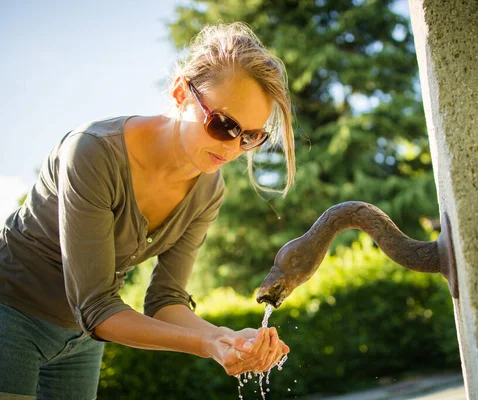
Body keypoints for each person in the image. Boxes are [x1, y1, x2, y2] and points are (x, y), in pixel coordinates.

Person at [0, 22, 294, 399]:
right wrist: (207, 346)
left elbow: (166, 300)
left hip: (83, 339)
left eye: (252, 136)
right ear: (180, 93)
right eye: (223, 124)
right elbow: (96, 307)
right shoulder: (91, 153)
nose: (234, 146)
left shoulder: (208, 188)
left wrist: (226, 338)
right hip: (11, 315)